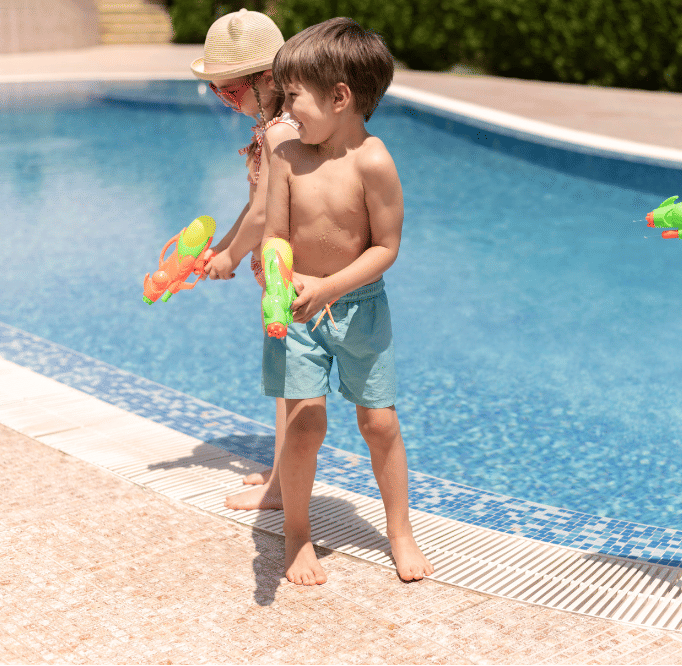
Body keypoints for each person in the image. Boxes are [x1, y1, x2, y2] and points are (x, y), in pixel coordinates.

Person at [224, 16, 434, 586]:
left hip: (359, 307)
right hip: (295, 309)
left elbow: (386, 248)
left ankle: (399, 531)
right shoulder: (287, 153)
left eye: (294, 99)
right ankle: (296, 537)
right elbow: (273, 228)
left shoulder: (372, 162)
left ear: (340, 97)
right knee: (304, 424)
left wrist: (330, 287)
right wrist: (275, 273)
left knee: (380, 424)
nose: (286, 113)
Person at [190, 9, 300, 285]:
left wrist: (232, 257)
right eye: (216, 90)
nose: (222, 99)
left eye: (230, 91)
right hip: (279, 280)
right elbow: (255, 206)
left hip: (297, 283)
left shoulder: (284, 133)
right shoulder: (268, 128)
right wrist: (222, 247)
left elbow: (264, 213)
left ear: (270, 80)